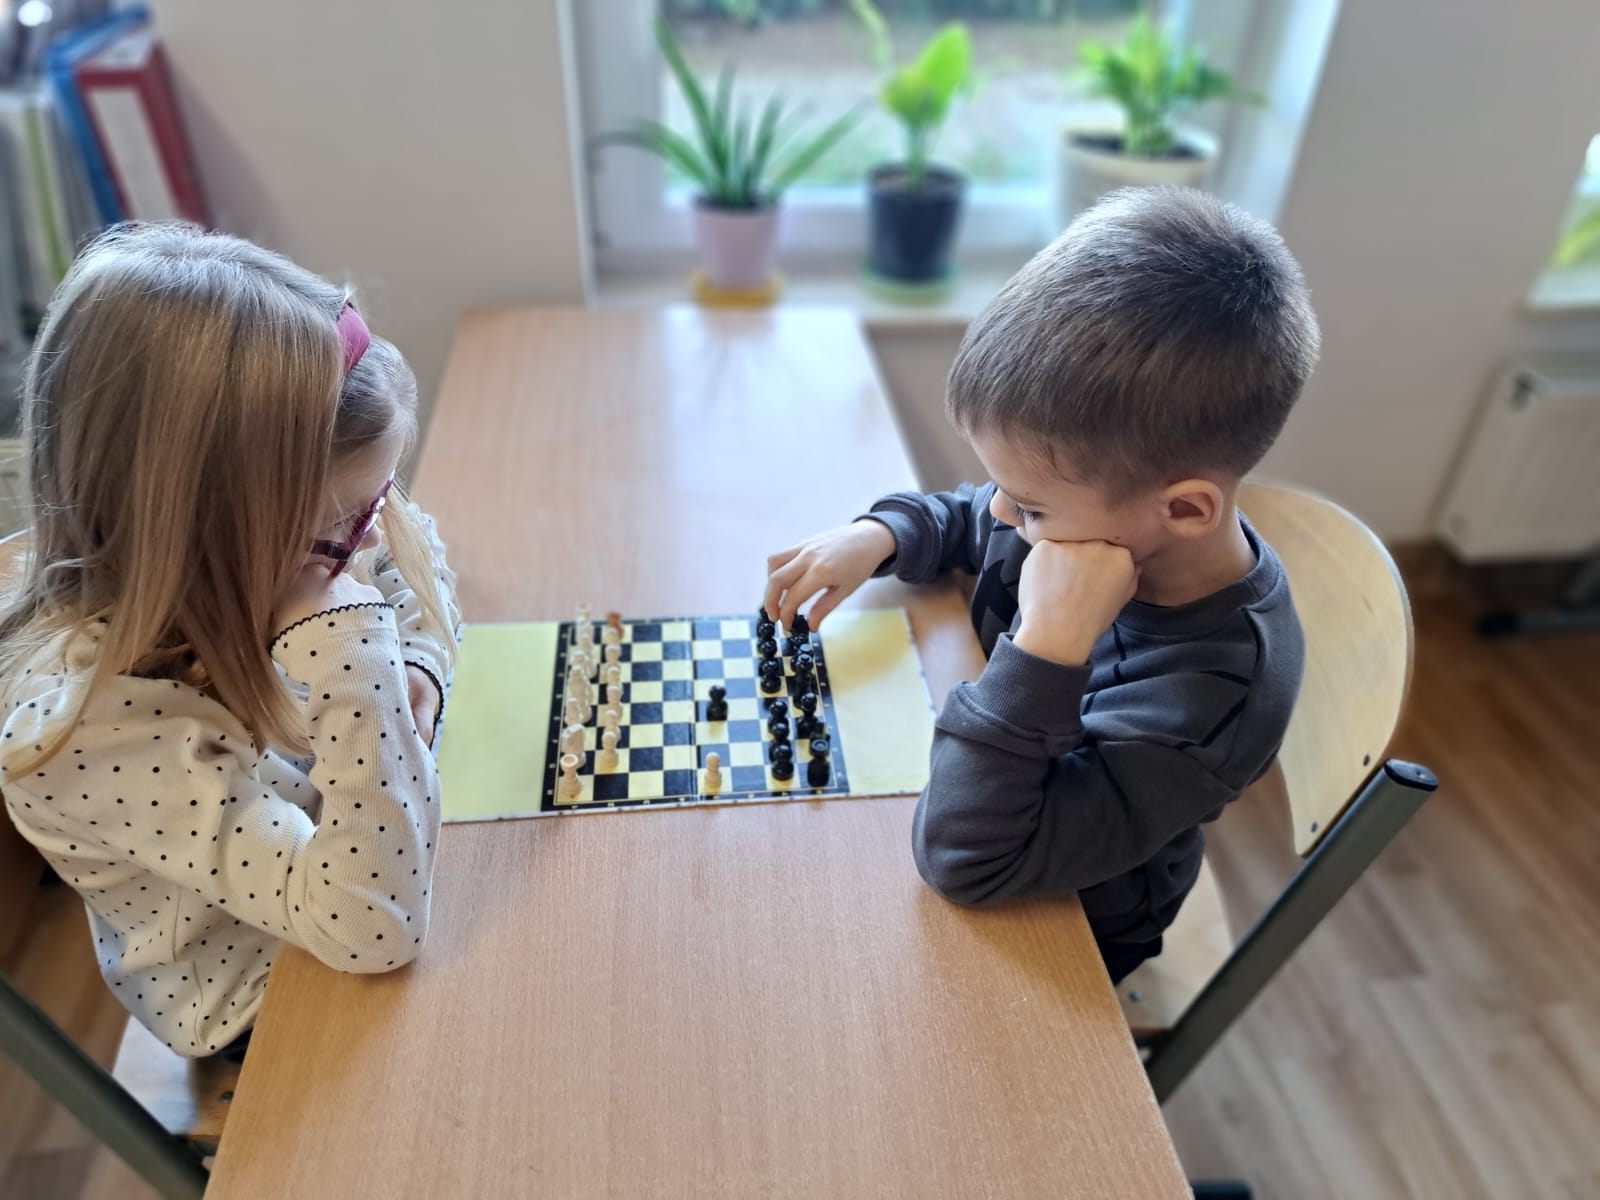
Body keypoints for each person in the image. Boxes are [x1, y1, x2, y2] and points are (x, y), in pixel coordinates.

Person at [764, 187, 1318, 982]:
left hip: (1070, 930)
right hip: (982, 792)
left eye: (1027, 506)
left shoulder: (1211, 700)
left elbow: (966, 857)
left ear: (1186, 509)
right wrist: (882, 534)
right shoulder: (1093, 520)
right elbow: (971, 516)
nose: (1001, 513)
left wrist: (1047, 651)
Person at [0, 224, 461, 1056]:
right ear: (207, 537)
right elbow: (372, 931)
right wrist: (359, 665)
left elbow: (407, 556)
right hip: (275, 1004)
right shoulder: (96, 736)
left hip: (363, 856)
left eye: (373, 500)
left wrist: (418, 670)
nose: (366, 537)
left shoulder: (276, 551)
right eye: (342, 524)